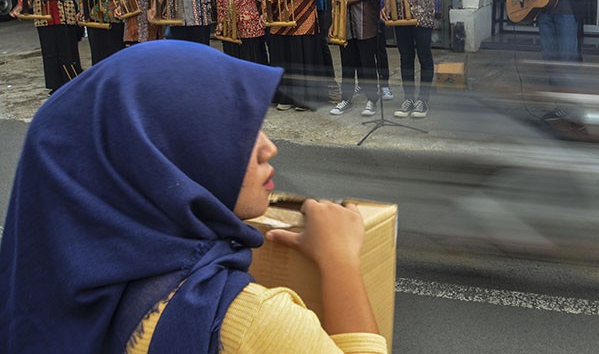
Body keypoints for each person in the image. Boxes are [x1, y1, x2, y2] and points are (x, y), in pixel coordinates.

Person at [0, 41, 387, 353]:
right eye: (232, 133)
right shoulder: (245, 322)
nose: (269, 148)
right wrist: (340, 261)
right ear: (161, 158)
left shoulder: (35, 287)